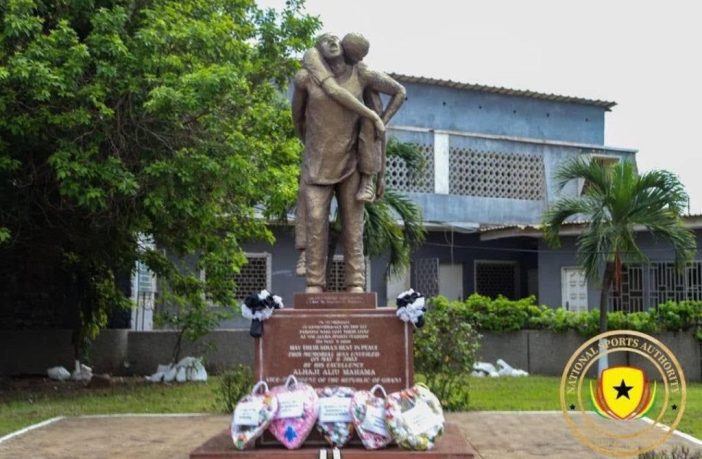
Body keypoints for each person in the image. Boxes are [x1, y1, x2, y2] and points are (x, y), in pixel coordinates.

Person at [292, 33, 405, 293]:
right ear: (318, 50)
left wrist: (381, 122)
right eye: (324, 41)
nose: (330, 43)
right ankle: (314, 283)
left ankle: (355, 283)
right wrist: (313, 145)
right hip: (317, 162)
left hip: (352, 162)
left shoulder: (361, 74)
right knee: (316, 219)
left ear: (343, 46)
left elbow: (399, 92)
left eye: (334, 39)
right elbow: (297, 119)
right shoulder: (306, 79)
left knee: (354, 226)